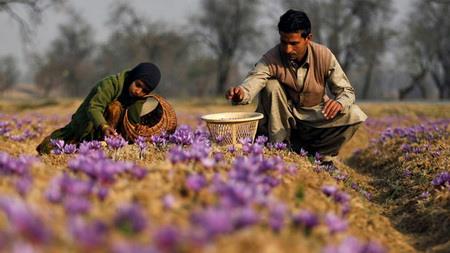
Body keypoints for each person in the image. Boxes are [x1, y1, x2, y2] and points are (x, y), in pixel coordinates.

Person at [225, 9, 367, 162]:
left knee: (355, 113)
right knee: (271, 86)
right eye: (284, 42)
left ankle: (320, 154)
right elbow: (253, 81)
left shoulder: (324, 56)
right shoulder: (271, 58)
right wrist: (241, 93)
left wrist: (339, 103)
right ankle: (280, 148)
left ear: (308, 38)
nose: (287, 49)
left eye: (294, 43)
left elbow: (346, 91)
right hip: (283, 118)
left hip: (314, 116)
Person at [36, 62, 162, 154]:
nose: (138, 91)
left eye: (144, 90)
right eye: (138, 85)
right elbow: (94, 107)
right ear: (133, 77)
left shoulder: (139, 97)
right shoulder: (111, 84)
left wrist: (138, 128)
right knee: (115, 107)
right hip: (87, 125)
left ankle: (103, 146)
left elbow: (132, 120)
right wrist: (104, 126)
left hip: (111, 134)